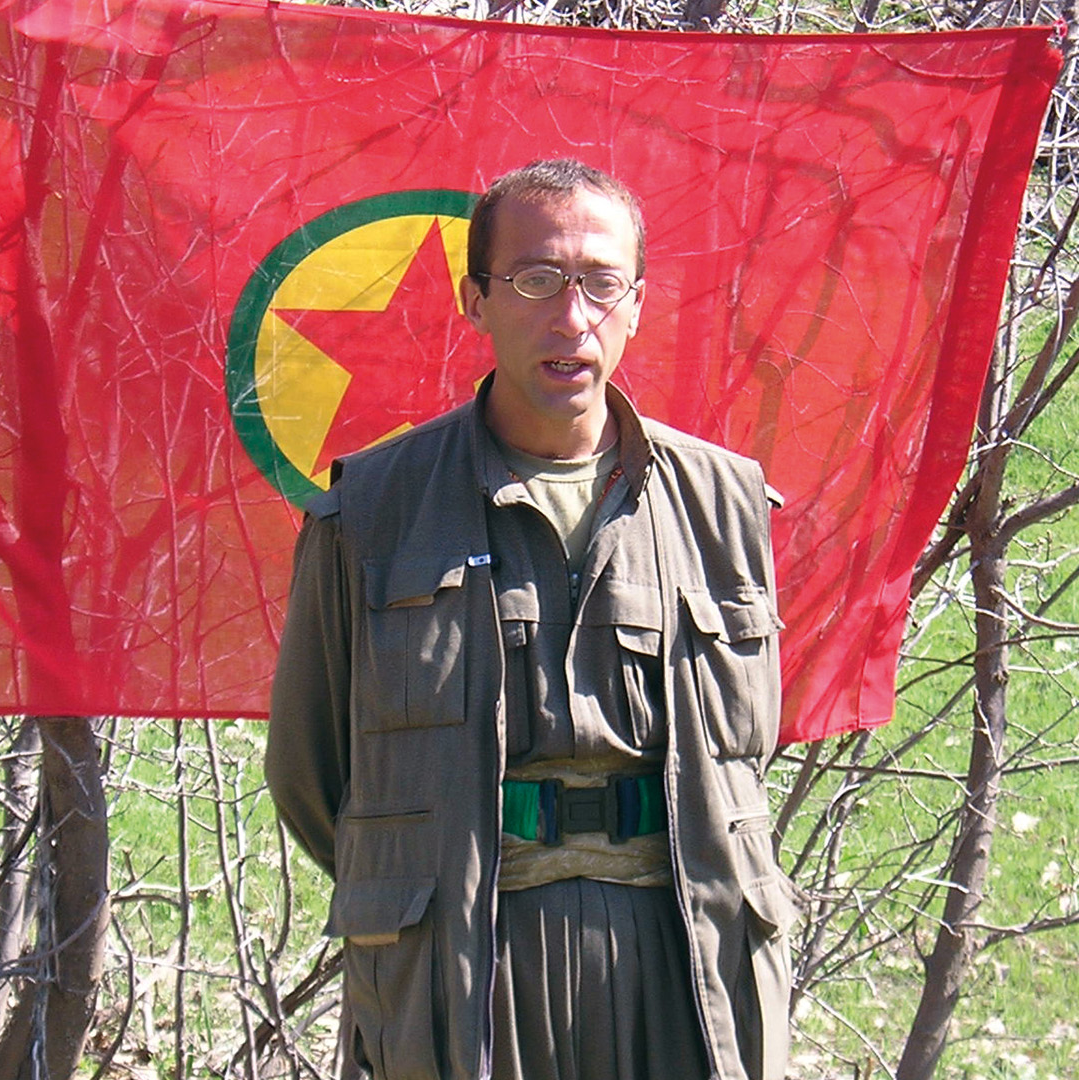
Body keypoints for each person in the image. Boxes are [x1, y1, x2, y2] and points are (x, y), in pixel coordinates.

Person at [266, 159, 797, 1080]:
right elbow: (311, 774)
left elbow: (743, 750)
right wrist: (420, 875)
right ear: (475, 300)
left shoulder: (723, 504)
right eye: (537, 280)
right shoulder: (374, 513)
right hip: (466, 966)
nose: (572, 317)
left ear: (637, 304)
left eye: (600, 284)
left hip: (682, 961)